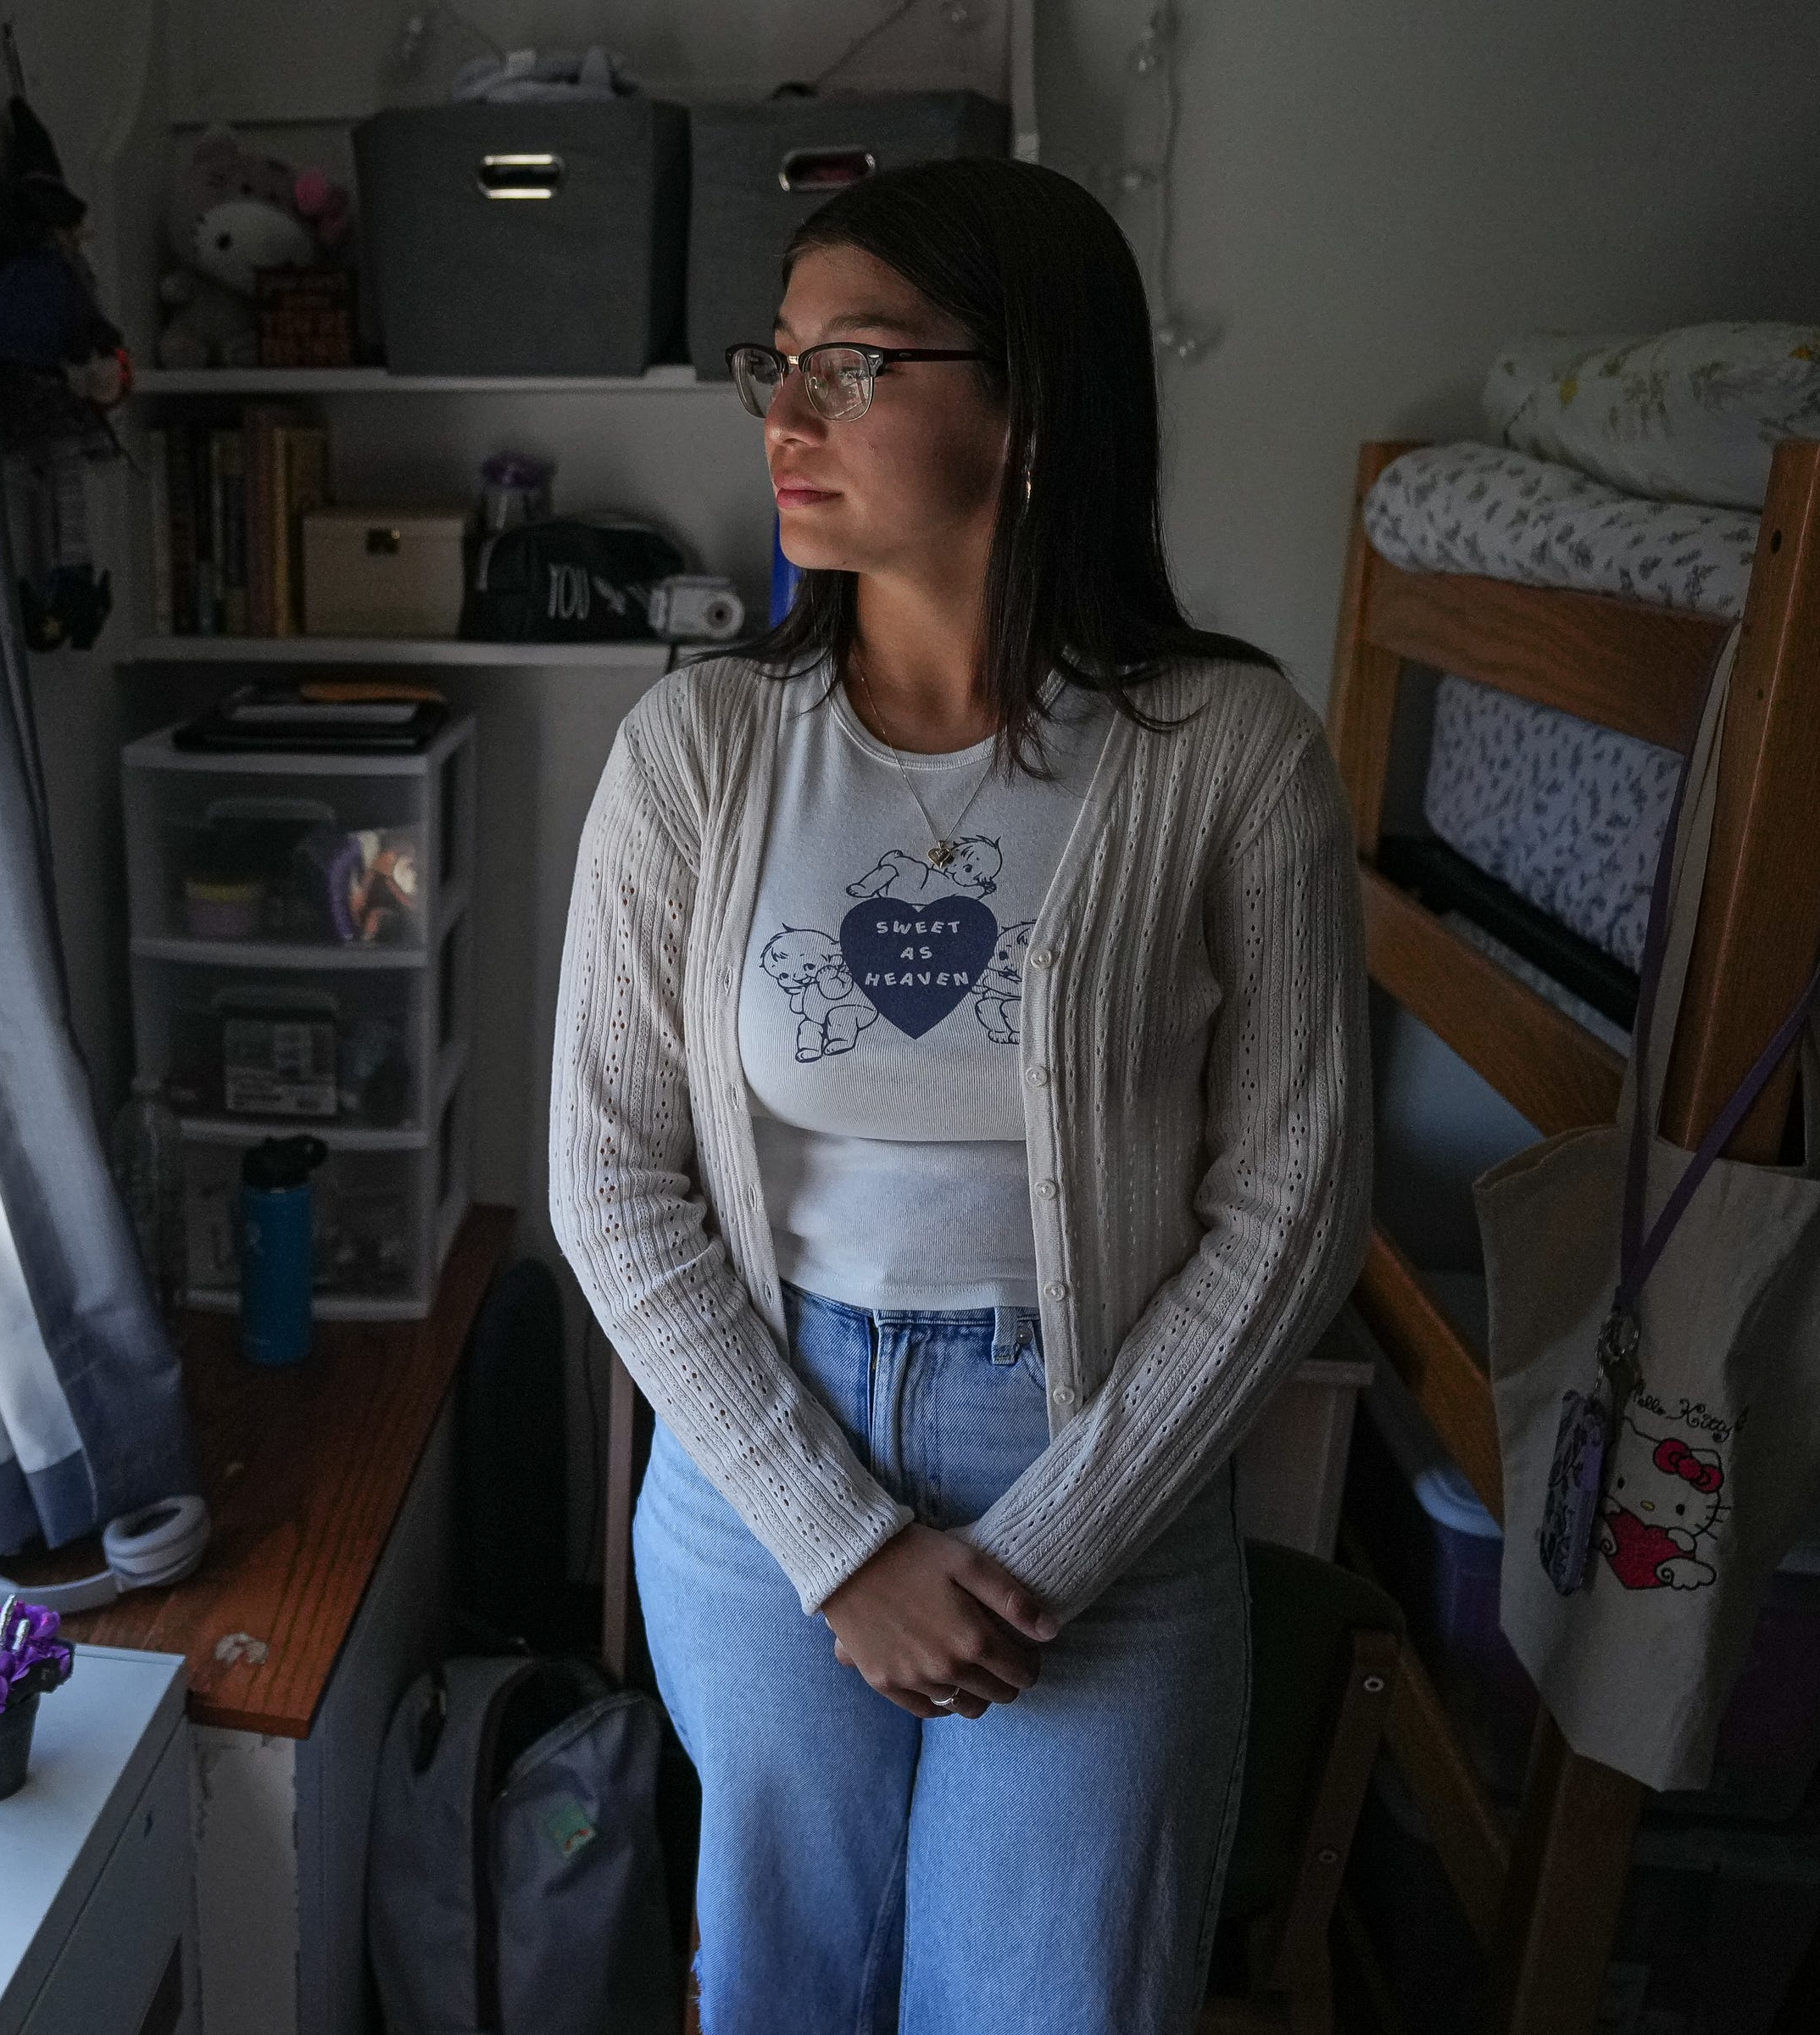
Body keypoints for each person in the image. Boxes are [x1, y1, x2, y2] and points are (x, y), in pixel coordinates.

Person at [547, 156, 1370, 2034]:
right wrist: (839, 1544)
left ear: (1030, 409)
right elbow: (609, 1178)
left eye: (856, 365)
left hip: (1097, 1457)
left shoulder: (1228, 753)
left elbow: (1296, 1204)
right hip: (762, 1465)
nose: (785, 415)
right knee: (778, 1990)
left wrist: (1044, 1553)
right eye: (780, 360)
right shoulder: (697, 748)